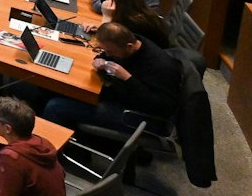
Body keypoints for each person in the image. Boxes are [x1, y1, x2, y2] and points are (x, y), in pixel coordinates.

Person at [14, 21, 183, 130]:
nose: (108, 54)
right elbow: (107, 55)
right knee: (47, 88)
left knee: (56, 106)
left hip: (136, 114)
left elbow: (163, 108)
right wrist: (100, 59)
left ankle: (54, 153)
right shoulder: (130, 43)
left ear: (130, 46)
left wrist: (128, 78)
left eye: (111, 52)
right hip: (117, 93)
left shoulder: (160, 66)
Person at [95, 0, 172, 48]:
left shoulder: (134, 22)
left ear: (116, 0)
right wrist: (101, 27)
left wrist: (106, 17)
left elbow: (105, 44)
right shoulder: (135, 9)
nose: (103, 2)